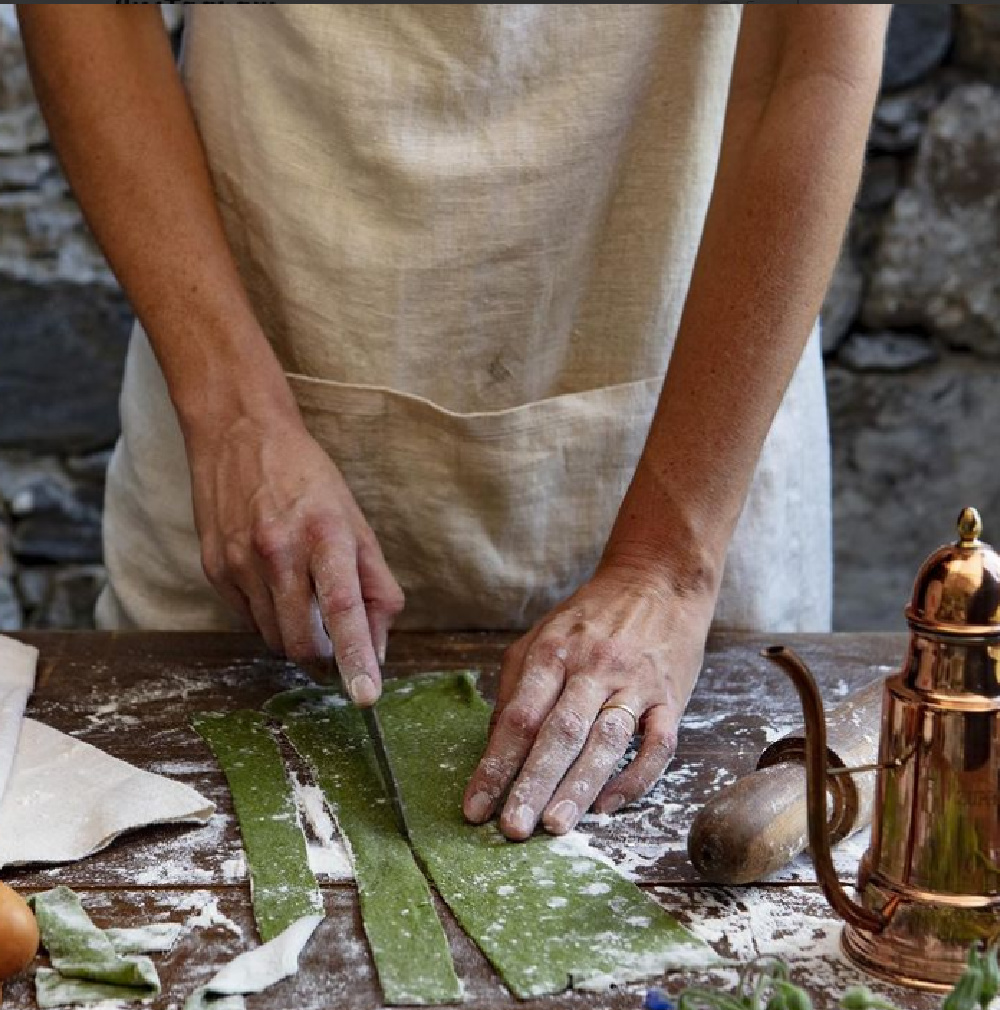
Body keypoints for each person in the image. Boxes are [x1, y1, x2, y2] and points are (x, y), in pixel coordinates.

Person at [17, 4, 889, 842]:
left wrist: (666, 565)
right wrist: (235, 412)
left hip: (687, 428)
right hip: (244, 365)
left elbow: (806, 61)